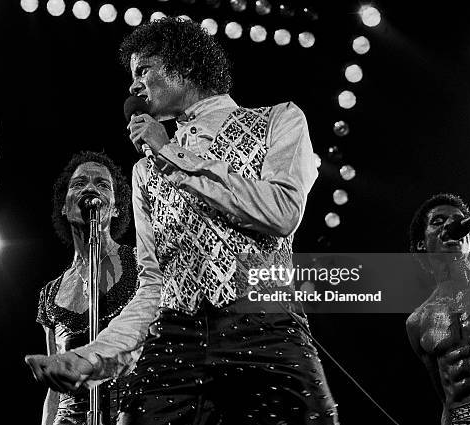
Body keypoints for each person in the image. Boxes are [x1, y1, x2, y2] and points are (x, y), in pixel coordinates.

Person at [27, 18, 339, 424]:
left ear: (185, 65)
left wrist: (172, 153)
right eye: (131, 76)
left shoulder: (279, 119)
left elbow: (281, 212)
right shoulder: (144, 172)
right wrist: (90, 357)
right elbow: (154, 286)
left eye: (144, 70)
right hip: (175, 342)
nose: (133, 86)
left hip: (266, 331)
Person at [34, 151, 138, 425]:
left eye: (102, 184)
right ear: (65, 207)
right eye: (79, 183)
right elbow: (54, 389)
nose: (90, 188)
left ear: (116, 208)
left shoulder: (140, 265)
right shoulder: (50, 295)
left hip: (129, 415)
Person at [406, 193, 470, 425]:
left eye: (457, 220)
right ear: (422, 243)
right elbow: (446, 400)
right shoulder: (418, 322)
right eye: (438, 222)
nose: (451, 226)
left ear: (469, 239)